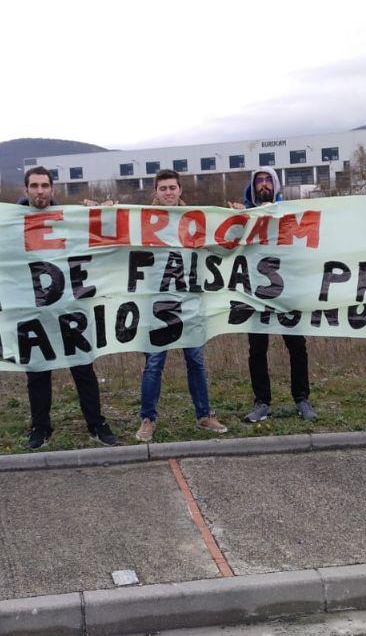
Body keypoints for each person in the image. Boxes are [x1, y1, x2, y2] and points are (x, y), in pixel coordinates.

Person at [20, 166, 118, 448]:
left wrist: (103, 214)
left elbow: (104, 243)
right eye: (34, 186)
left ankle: (96, 424)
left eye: (45, 186)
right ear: (26, 190)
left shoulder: (69, 220)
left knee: (83, 368)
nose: (40, 191)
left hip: (68, 308)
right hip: (33, 310)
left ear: (52, 189)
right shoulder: (11, 223)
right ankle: (40, 427)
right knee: (37, 372)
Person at [134, 170, 227, 441]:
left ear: (180, 190)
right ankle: (147, 418)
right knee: (154, 363)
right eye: (162, 188)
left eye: (172, 187)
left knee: (196, 362)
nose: (168, 193)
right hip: (158, 305)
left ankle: (204, 414)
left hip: (190, 304)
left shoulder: (197, 221)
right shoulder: (141, 222)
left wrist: (239, 218)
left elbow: (221, 248)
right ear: (156, 192)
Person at [228, 166, 317, 423]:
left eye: (268, 180)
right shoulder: (243, 216)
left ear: (276, 184)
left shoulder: (288, 214)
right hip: (255, 293)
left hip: (287, 291)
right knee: (257, 349)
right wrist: (235, 223)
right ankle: (262, 402)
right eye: (260, 181)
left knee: (297, 346)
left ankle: (302, 398)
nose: (264, 184)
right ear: (253, 186)